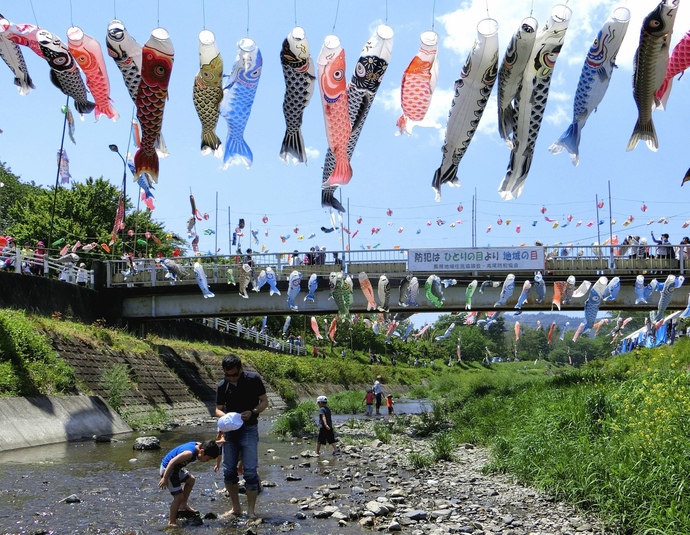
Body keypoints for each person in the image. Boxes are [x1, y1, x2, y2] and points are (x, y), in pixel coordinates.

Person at [215, 354, 268, 519]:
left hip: (249, 429)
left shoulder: (253, 380)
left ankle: (251, 511)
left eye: (234, 375)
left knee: (250, 471)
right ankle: (235, 508)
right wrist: (226, 417)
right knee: (228, 471)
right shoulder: (222, 385)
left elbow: (264, 402)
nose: (231, 378)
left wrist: (252, 412)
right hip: (230, 431)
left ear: (241, 369)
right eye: (227, 375)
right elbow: (217, 409)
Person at [158, 439, 221, 527]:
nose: (206, 461)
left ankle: (183, 505)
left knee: (191, 480)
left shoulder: (199, 445)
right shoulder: (189, 453)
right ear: (202, 452)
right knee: (178, 497)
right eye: (208, 459)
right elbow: (172, 462)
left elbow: (210, 446)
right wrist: (165, 478)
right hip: (168, 470)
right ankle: (172, 521)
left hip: (176, 469)